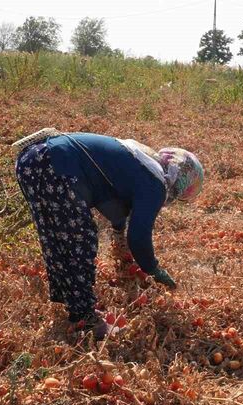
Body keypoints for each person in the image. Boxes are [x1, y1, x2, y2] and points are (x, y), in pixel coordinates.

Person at [14, 132, 204, 339]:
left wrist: (117, 231)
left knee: (58, 237)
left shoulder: (142, 162)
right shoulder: (155, 184)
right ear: (181, 182)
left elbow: (112, 201)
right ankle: (84, 319)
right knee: (80, 241)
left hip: (32, 160)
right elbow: (139, 236)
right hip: (55, 165)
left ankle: (76, 307)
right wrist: (153, 269)